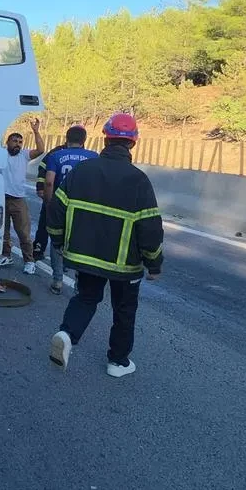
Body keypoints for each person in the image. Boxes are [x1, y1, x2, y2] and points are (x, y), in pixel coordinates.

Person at [46, 113, 164, 378]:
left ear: (106, 138)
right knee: (124, 310)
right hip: (125, 264)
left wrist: (58, 241)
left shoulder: (81, 172)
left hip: (85, 257)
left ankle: (67, 333)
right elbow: (151, 229)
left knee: (86, 298)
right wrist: (154, 264)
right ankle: (117, 362)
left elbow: (56, 211)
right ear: (133, 142)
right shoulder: (139, 180)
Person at [34, 125, 98, 294]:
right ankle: (79, 284)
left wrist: (49, 203)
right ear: (84, 140)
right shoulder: (93, 157)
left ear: (66, 138)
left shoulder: (56, 155)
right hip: (84, 208)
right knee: (80, 244)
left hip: (60, 205)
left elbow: (49, 182)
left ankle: (57, 281)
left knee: (57, 242)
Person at [0, 117, 47, 273]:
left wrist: (36, 131)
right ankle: (6, 255)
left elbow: (40, 150)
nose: (18, 144)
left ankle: (29, 261)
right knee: (3, 232)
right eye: (14, 141)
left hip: (18, 200)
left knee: (24, 234)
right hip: (1, 199)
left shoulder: (24, 155)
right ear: (8, 142)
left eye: (20, 141)